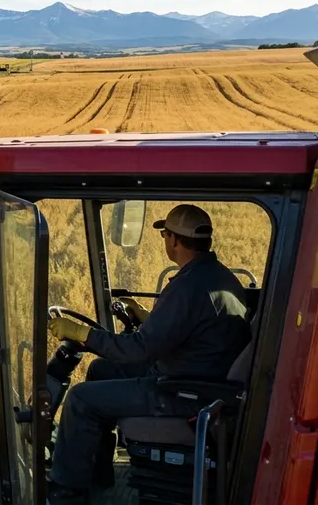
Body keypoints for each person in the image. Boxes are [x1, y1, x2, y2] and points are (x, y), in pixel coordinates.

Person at [45, 204, 251, 504]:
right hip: (196, 374)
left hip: (182, 390)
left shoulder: (189, 287)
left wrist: (81, 334)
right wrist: (145, 317)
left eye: (166, 234)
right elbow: (183, 329)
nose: (166, 241)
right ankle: (97, 472)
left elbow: (137, 349)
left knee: (80, 398)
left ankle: (66, 493)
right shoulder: (214, 276)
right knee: (101, 370)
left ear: (175, 240)